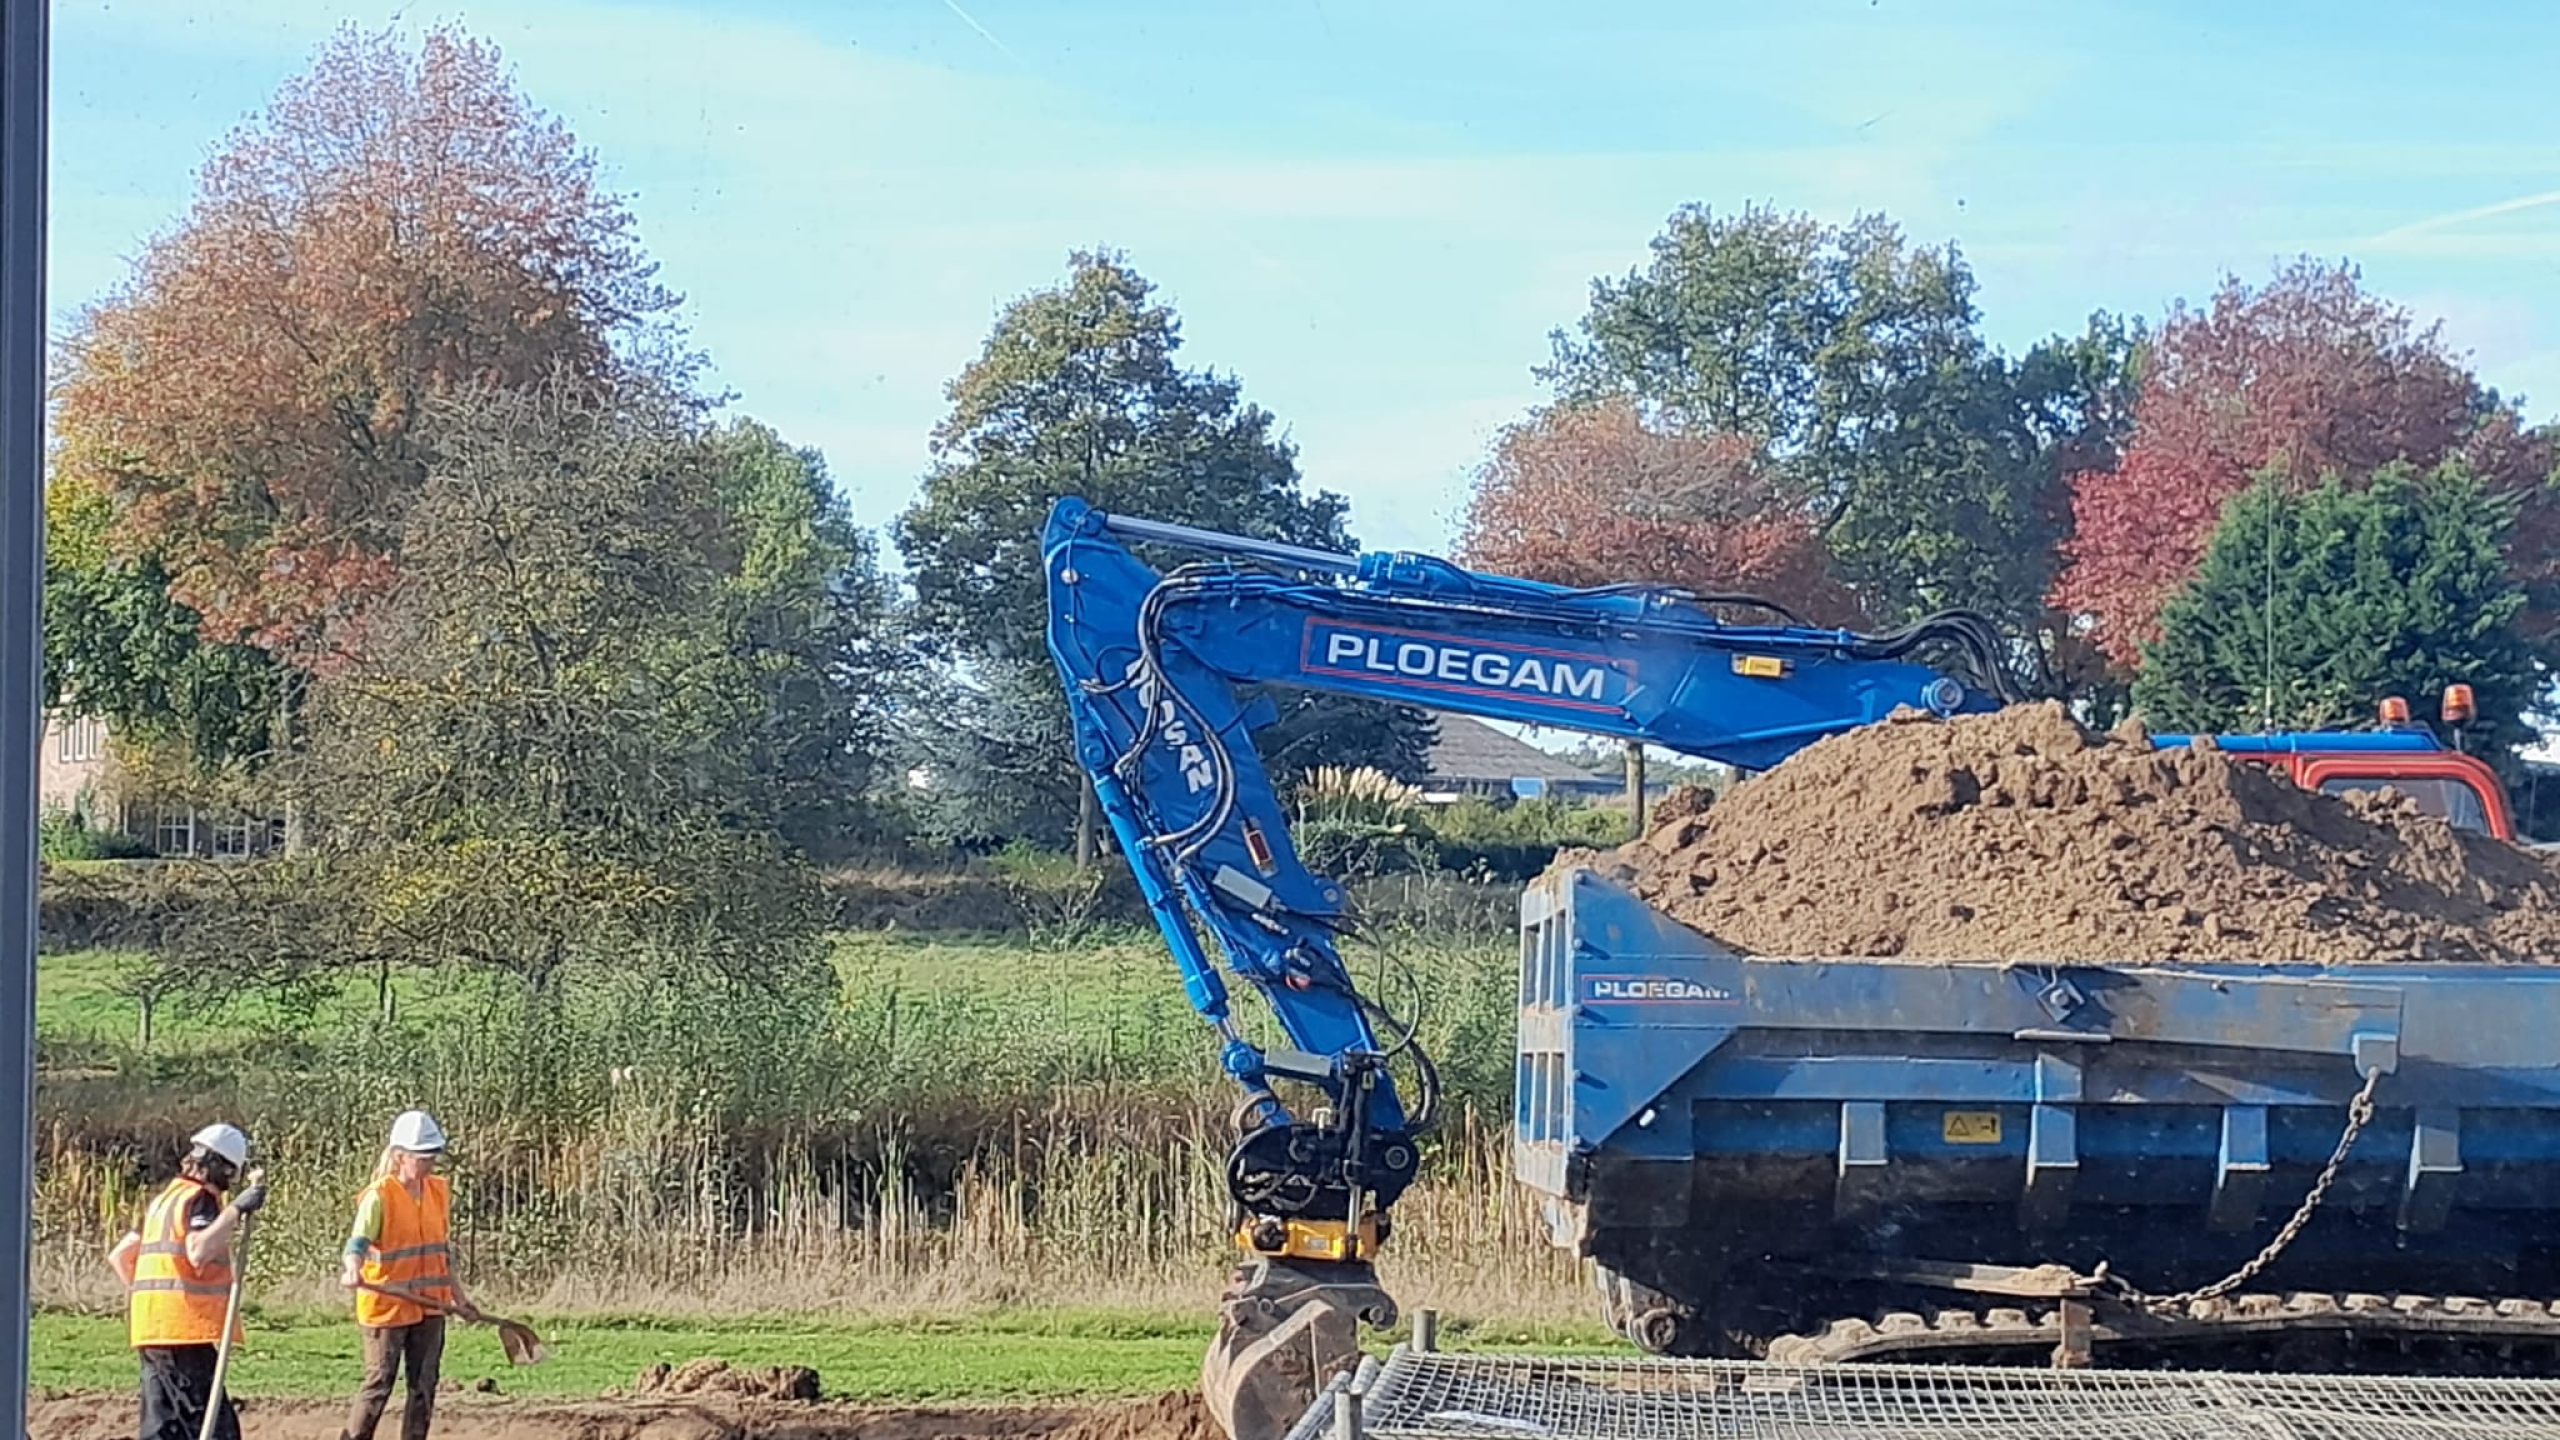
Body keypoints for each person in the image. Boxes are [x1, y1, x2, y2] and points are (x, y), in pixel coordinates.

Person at [108, 1122, 268, 1440]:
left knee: (162, 1430)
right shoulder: (199, 1199)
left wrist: (153, 1301)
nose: (229, 1183)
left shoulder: (163, 1202)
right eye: (229, 1173)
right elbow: (198, 1250)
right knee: (214, 1428)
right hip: (184, 1333)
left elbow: (121, 1256)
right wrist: (237, 1209)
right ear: (216, 1166)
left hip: (151, 1330)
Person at [339, 1108, 480, 1440]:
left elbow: (441, 1254)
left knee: (424, 1385)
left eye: (433, 1156)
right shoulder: (379, 1195)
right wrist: (352, 1269)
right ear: (400, 1156)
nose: (429, 1163)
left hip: (430, 1306)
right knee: (379, 1382)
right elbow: (357, 1243)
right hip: (386, 1306)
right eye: (422, 1157)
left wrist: (460, 1299)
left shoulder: (437, 1191)